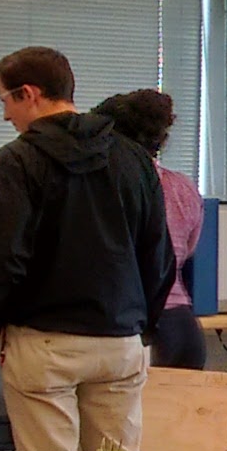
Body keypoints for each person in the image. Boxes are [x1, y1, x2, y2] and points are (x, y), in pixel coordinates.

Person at [0, 46, 175, 451]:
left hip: (46, 342)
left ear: (29, 93)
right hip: (120, 341)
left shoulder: (16, 160)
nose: (5, 115)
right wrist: (140, 326)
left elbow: (3, 255)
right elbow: (158, 254)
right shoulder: (132, 157)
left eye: (5, 100)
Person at [89, 89, 205, 376]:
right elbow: (187, 250)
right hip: (183, 325)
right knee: (184, 420)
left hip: (137, 326)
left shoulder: (108, 190)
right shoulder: (183, 187)